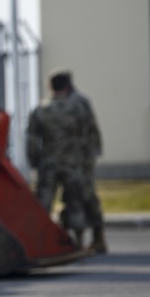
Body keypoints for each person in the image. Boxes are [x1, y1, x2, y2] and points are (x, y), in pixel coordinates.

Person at [26, 71, 93, 249]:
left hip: (49, 164)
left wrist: (34, 162)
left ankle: (38, 242)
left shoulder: (41, 109)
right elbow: (89, 133)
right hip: (73, 162)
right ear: (67, 85)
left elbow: (32, 140)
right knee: (75, 201)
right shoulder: (79, 106)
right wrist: (87, 159)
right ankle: (79, 242)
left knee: (43, 203)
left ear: (50, 87)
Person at [64, 71, 106, 253]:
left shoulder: (71, 103)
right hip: (83, 157)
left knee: (78, 197)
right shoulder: (82, 101)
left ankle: (82, 240)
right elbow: (93, 129)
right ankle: (97, 238)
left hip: (76, 159)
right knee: (85, 196)